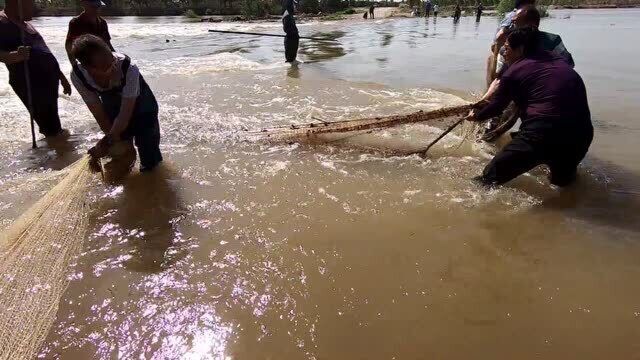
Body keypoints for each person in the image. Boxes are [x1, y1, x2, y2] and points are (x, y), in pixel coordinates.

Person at [467, 28, 593, 187]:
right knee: (562, 186)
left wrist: (476, 116)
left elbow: (497, 108)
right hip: (581, 136)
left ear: (520, 49)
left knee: (487, 180)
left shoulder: (514, 71)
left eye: (507, 48)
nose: (504, 52)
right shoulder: (559, 61)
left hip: (541, 134)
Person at [70, 35, 162, 172]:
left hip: (142, 104)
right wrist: (111, 140)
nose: (112, 67)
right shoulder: (78, 76)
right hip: (112, 104)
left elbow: (125, 113)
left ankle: (151, 178)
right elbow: (98, 112)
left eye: (112, 61)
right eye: (104, 67)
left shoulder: (129, 68)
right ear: (87, 68)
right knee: (121, 152)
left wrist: (107, 141)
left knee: (148, 150)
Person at [481, 5, 574, 141]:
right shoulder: (513, 42)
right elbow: (499, 75)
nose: (512, 24)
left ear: (530, 24)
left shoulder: (551, 41)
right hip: (522, 93)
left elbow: (566, 66)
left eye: (515, 21)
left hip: (537, 96)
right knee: (497, 121)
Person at [0, 0, 71, 139]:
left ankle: (55, 150)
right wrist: (16, 56)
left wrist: (61, 77)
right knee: (50, 126)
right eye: (30, 3)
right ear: (17, 3)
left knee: (53, 122)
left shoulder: (26, 24)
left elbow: (45, 50)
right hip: (30, 82)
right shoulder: (3, 23)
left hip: (48, 80)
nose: (33, 7)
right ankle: (56, 154)